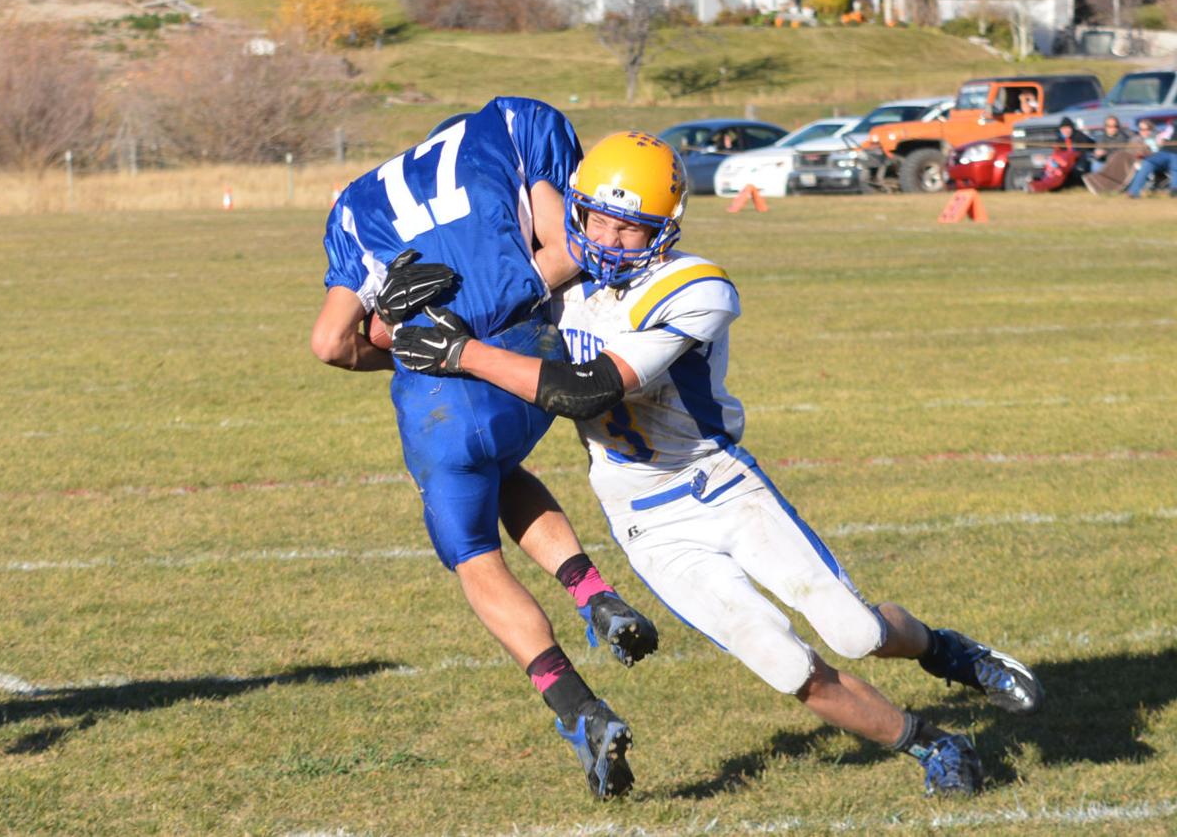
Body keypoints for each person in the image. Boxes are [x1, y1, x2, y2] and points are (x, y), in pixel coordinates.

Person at [391, 131, 1045, 798]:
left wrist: (462, 353)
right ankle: (931, 744)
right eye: (600, 221)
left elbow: (588, 389)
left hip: (718, 486)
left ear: (664, 233)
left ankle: (947, 651)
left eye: (632, 229)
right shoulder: (556, 284)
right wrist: (398, 305)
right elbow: (431, 310)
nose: (610, 241)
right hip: (643, 520)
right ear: (577, 211)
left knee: (856, 632)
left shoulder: (694, 286)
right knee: (783, 663)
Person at [310, 99, 659, 799]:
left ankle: (580, 712)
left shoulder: (353, 201)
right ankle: (597, 597)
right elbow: (570, 247)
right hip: (525, 369)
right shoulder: (511, 123)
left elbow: (329, 343)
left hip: (436, 407)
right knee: (504, 467)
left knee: (474, 558)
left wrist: (415, 351)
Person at [1126, 119, 1177, 198]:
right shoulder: (1174, 124)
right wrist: (1161, 140)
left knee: (1175, 165)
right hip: (1164, 152)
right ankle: (1133, 192)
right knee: (1148, 162)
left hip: (1175, 155)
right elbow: (1163, 136)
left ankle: (1175, 190)